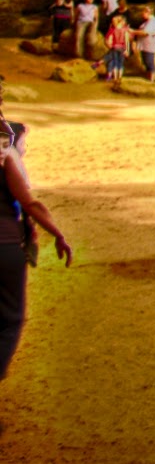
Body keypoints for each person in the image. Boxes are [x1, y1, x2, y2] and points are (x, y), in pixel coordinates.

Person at [0, 141, 73, 378]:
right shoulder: (4, 159)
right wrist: (57, 234)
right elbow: (29, 204)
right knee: (11, 320)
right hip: (5, 248)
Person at [131, 6, 155, 82]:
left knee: (149, 61)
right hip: (144, 45)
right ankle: (148, 78)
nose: (142, 14)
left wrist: (133, 31)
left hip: (149, 46)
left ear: (148, 13)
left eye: (143, 13)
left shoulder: (153, 22)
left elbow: (145, 32)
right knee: (145, 61)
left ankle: (152, 79)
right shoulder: (147, 22)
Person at [102, 10, 130, 86]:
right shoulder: (125, 30)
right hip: (122, 47)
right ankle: (119, 77)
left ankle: (115, 77)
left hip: (115, 47)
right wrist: (127, 50)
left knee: (115, 62)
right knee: (120, 64)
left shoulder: (113, 30)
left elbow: (109, 39)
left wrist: (109, 44)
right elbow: (127, 41)